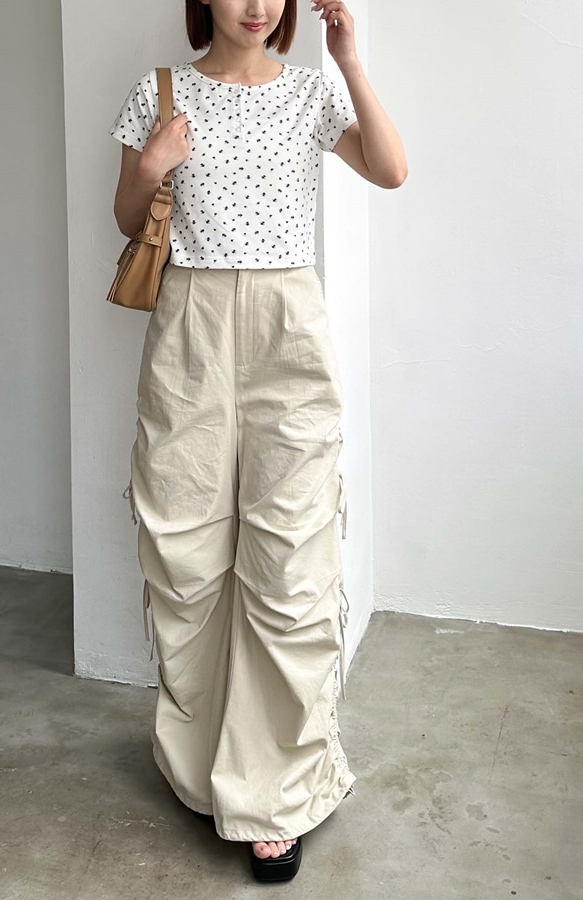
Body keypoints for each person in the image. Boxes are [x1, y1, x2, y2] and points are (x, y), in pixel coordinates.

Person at [109, 0, 407, 882]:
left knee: (290, 562)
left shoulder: (310, 92)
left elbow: (391, 169)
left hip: (286, 329)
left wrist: (350, 59)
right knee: (188, 555)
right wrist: (152, 166)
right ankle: (203, 763)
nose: (257, 5)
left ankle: (277, 791)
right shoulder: (158, 92)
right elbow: (128, 217)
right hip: (189, 327)